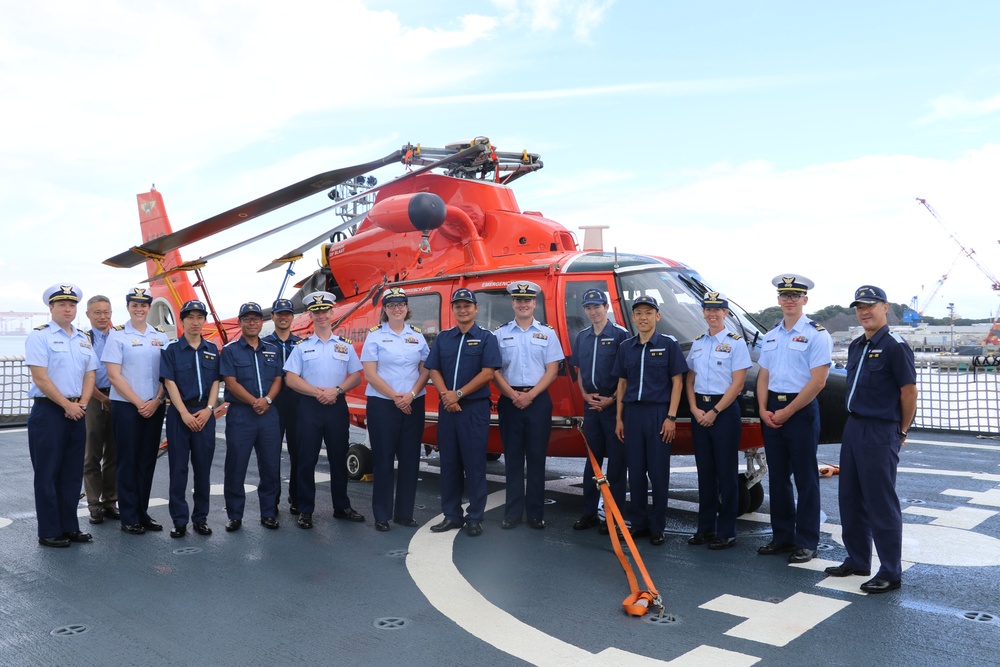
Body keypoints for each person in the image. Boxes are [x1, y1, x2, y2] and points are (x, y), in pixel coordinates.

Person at [825, 286, 917, 594]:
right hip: (853, 428)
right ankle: (858, 558)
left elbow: (908, 392)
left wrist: (900, 431)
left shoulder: (895, 346)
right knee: (849, 497)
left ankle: (890, 570)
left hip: (880, 429)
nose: (864, 311)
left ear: (885, 307)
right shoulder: (856, 345)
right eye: (859, 307)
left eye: (870, 306)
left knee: (880, 501)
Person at [756, 274, 832, 564]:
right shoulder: (771, 335)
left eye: (795, 295)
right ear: (778, 300)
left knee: (805, 477)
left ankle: (807, 541)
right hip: (772, 409)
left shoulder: (817, 334)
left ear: (805, 300)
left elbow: (819, 381)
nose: (789, 300)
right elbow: (764, 375)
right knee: (778, 477)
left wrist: (787, 411)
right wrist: (763, 409)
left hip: (800, 410)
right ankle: (782, 537)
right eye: (785, 295)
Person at [283, 291, 364, 529]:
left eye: (324, 311)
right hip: (309, 406)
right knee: (306, 459)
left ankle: (342, 506)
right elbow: (290, 379)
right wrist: (317, 392)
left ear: (331, 313)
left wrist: (336, 390)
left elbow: (357, 376)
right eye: (316, 312)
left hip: (336, 405)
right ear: (310, 315)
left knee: (338, 458)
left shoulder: (344, 346)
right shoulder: (301, 347)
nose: (321, 316)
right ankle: (305, 509)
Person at [26, 283, 98, 548]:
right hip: (49, 411)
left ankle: (70, 527)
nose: (68, 309)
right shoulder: (39, 337)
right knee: (47, 473)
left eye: (72, 305)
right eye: (62, 305)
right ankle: (49, 531)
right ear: (51, 308)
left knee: (71, 473)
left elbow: (90, 374)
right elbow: (40, 378)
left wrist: (82, 404)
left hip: (78, 409)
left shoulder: (82, 338)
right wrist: (66, 406)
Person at [425, 288, 502, 537]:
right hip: (448, 409)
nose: (463, 309)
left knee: (475, 464)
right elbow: (433, 369)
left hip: (474, 409)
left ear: (476, 309)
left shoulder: (486, 338)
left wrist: (458, 394)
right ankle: (452, 515)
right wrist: (447, 396)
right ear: (453, 309)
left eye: (467, 305)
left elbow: (488, 372)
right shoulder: (444, 338)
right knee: (449, 464)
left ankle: (475, 517)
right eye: (458, 305)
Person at [613, 295, 687, 546]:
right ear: (633, 318)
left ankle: (658, 527)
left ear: (657, 316)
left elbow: (678, 382)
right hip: (632, 414)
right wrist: (619, 419)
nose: (643, 317)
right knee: (635, 473)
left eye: (648, 312)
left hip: (658, 415)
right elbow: (622, 384)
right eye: (638, 313)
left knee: (658, 473)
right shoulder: (626, 347)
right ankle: (639, 524)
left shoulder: (668, 345)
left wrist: (671, 417)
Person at [493, 281, 564, 530]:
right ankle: (512, 513)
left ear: (535, 303)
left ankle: (535, 514)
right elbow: (494, 371)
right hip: (510, 400)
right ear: (512, 303)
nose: (523, 304)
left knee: (536, 458)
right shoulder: (500, 334)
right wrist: (513, 394)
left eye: (528, 300)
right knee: (512, 458)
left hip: (537, 402)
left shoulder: (548, 333)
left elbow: (552, 370)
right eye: (518, 300)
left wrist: (530, 395)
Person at [685, 292, 752, 550]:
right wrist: (693, 407)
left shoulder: (736, 343)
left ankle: (726, 532)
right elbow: (690, 378)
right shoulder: (699, 343)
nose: (712, 314)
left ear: (725, 313)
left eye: (718, 309)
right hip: (699, 409)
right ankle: (705, 528)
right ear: (703, 312)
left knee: (726, 474)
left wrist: (714, 411)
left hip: (723, 412)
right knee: (705, 473)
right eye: (708, 309)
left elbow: (737, 384)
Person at [360, 287, 430, 532]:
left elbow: (426, 369)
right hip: (383, 405)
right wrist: (396, 397)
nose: (397, 308)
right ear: (385, 310)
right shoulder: (375, 335)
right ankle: (381, 514)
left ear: (407, 307)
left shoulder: (417, 336)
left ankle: (404, 513)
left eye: (401, 304)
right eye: (391, 305)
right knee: (383, 459)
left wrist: (410, 395)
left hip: (413, 403)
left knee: (410, 459)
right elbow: (370, 373)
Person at [103, 287, 169, 535]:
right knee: (128, 461)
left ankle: (142, 512)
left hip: (155, 405)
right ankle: (129, 516)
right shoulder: (117, 335)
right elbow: (113, 375)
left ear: (149, 308)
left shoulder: (160, 336)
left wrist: (156, 400)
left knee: (147, 461)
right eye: (134, 305)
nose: (139, 309)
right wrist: (139, 402)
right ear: (128, 307)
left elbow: (166, 375)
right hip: (126, 407)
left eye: (143, 305)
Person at [220, 302, 283, 532]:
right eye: (247, 319)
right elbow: (230, 381)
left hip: (268, 414)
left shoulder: (272, 349)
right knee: (236, 466)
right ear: (240, 322)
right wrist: (253, 401)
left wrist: (266, 400)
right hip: (241, 415)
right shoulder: (230, 350)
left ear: (262, 322)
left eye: (256, 319)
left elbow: (278, 378)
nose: (252, 323)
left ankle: (268, 513)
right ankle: (235, 515)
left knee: (270, 465)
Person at [160, 300, 220, 537]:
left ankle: (200, 518)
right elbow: (169, 382)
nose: (195, 322)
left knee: (203, 469)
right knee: (178, 469)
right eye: (190, 317)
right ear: (182, 320)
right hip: (179, 415)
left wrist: (209, 409)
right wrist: (184, 413)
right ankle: (179, 520)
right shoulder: (171, 349)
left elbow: (216, 381)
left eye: (199, 317)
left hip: (204, 414)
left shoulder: (212, 350)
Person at [571, 288, 628, 533]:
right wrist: (584, 395)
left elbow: (627, 373)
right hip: (591, 406)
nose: (593, 311)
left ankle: (613, 516)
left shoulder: (620, 335)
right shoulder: (582, 337)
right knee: (592, 462)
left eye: (597, 306)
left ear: (606, 307)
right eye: (588, 307)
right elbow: (579, 370)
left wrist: (612, 399)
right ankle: (589, 513)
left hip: (613, 406)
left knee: (616, 463)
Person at [262, 298, 303, 514]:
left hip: (297, 403)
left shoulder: (302, 344)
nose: (284, 317)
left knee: (299, 452)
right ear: (273, 317)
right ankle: (272, 501)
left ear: (292, 317)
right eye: (279, 313)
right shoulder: (265, 344)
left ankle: (296, 498)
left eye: (287, 313)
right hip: (273, 403)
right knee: (271, 453)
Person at [82, 295, 118, 525]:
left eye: (106, 312)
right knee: (92, 453)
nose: (103, 316)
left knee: (114, 453)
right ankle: (94, 505)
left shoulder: (119, 336)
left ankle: (110, 501)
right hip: (94, 397)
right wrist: (103, 398)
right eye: (97, 312)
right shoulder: (81, 340)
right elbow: (81, 374)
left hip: (118, 396)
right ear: (88, 315)